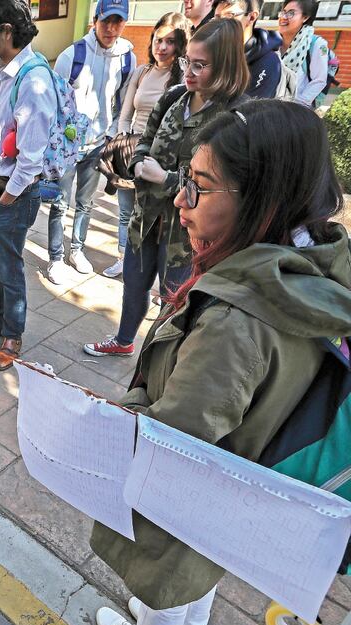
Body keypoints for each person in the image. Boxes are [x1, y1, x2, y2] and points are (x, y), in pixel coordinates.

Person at [92, 99, 351, 625]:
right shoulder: (312, 260)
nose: (182, 199)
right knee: (206, 561)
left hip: (198, 486)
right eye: (185, 179)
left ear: (263, 200)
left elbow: (176, 437)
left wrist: (110, 415)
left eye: (201, 187)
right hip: (244, 473)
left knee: (172, 564)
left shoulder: (238, 320)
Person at [85, 18, 250, 358]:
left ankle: (160, 361)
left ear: (226, 67)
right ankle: (124, 340)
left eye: (200, 65)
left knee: (175, 300)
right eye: (187, 61)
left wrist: (168, 178)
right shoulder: (176, 95)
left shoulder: (233, 117)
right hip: (146, 218)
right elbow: (145, 138)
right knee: (134, 286)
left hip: (186, 232)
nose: (188, 71)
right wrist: (138, 162)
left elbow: (224, 186)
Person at [0, 0, 56, 370]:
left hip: (11, 192)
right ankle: (2, 320)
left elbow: (31, 156)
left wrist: (6, 194)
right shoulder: (2, 70)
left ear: (7, 32)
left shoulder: (33, 80)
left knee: (10, 265)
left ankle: (13, 334)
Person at [45, 0, 136, 284]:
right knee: (60, 203)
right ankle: (56, 258)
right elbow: (54, 103)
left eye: (118, 21)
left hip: (98, 146)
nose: (111, 28)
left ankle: (77, 250)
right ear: (95, 19)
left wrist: (111, 134)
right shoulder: (72, 55)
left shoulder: (127, 59)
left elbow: (122, 103)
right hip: (69, 148)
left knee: (85, 202)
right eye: (106, 20)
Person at [103, 13, 188, 279]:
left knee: (159, 217)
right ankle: (125, 258)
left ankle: (153, 270)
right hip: (132, 153)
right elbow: (125, 114)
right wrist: (124, 143)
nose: (161, 47)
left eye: (170, 42)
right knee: (126, 211)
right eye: (157, 39)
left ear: (180, 44)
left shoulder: (183, 78)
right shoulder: (142, 72)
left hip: (162, 158)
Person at [215, 0, 284, 99]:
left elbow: (249, 110)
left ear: (251, 17)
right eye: (217, 18)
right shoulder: (213, 52)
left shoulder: (268, 62)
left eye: (229, 16)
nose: (220, 25)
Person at [278, 0, 328, 107]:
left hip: (294, 110)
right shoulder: (273, 41)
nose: (284, 17)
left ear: (305, 18)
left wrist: (297, 106)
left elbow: (319, 80)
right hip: (269, 106)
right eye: (283, 12)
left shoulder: (316, 44)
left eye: (291, 13)